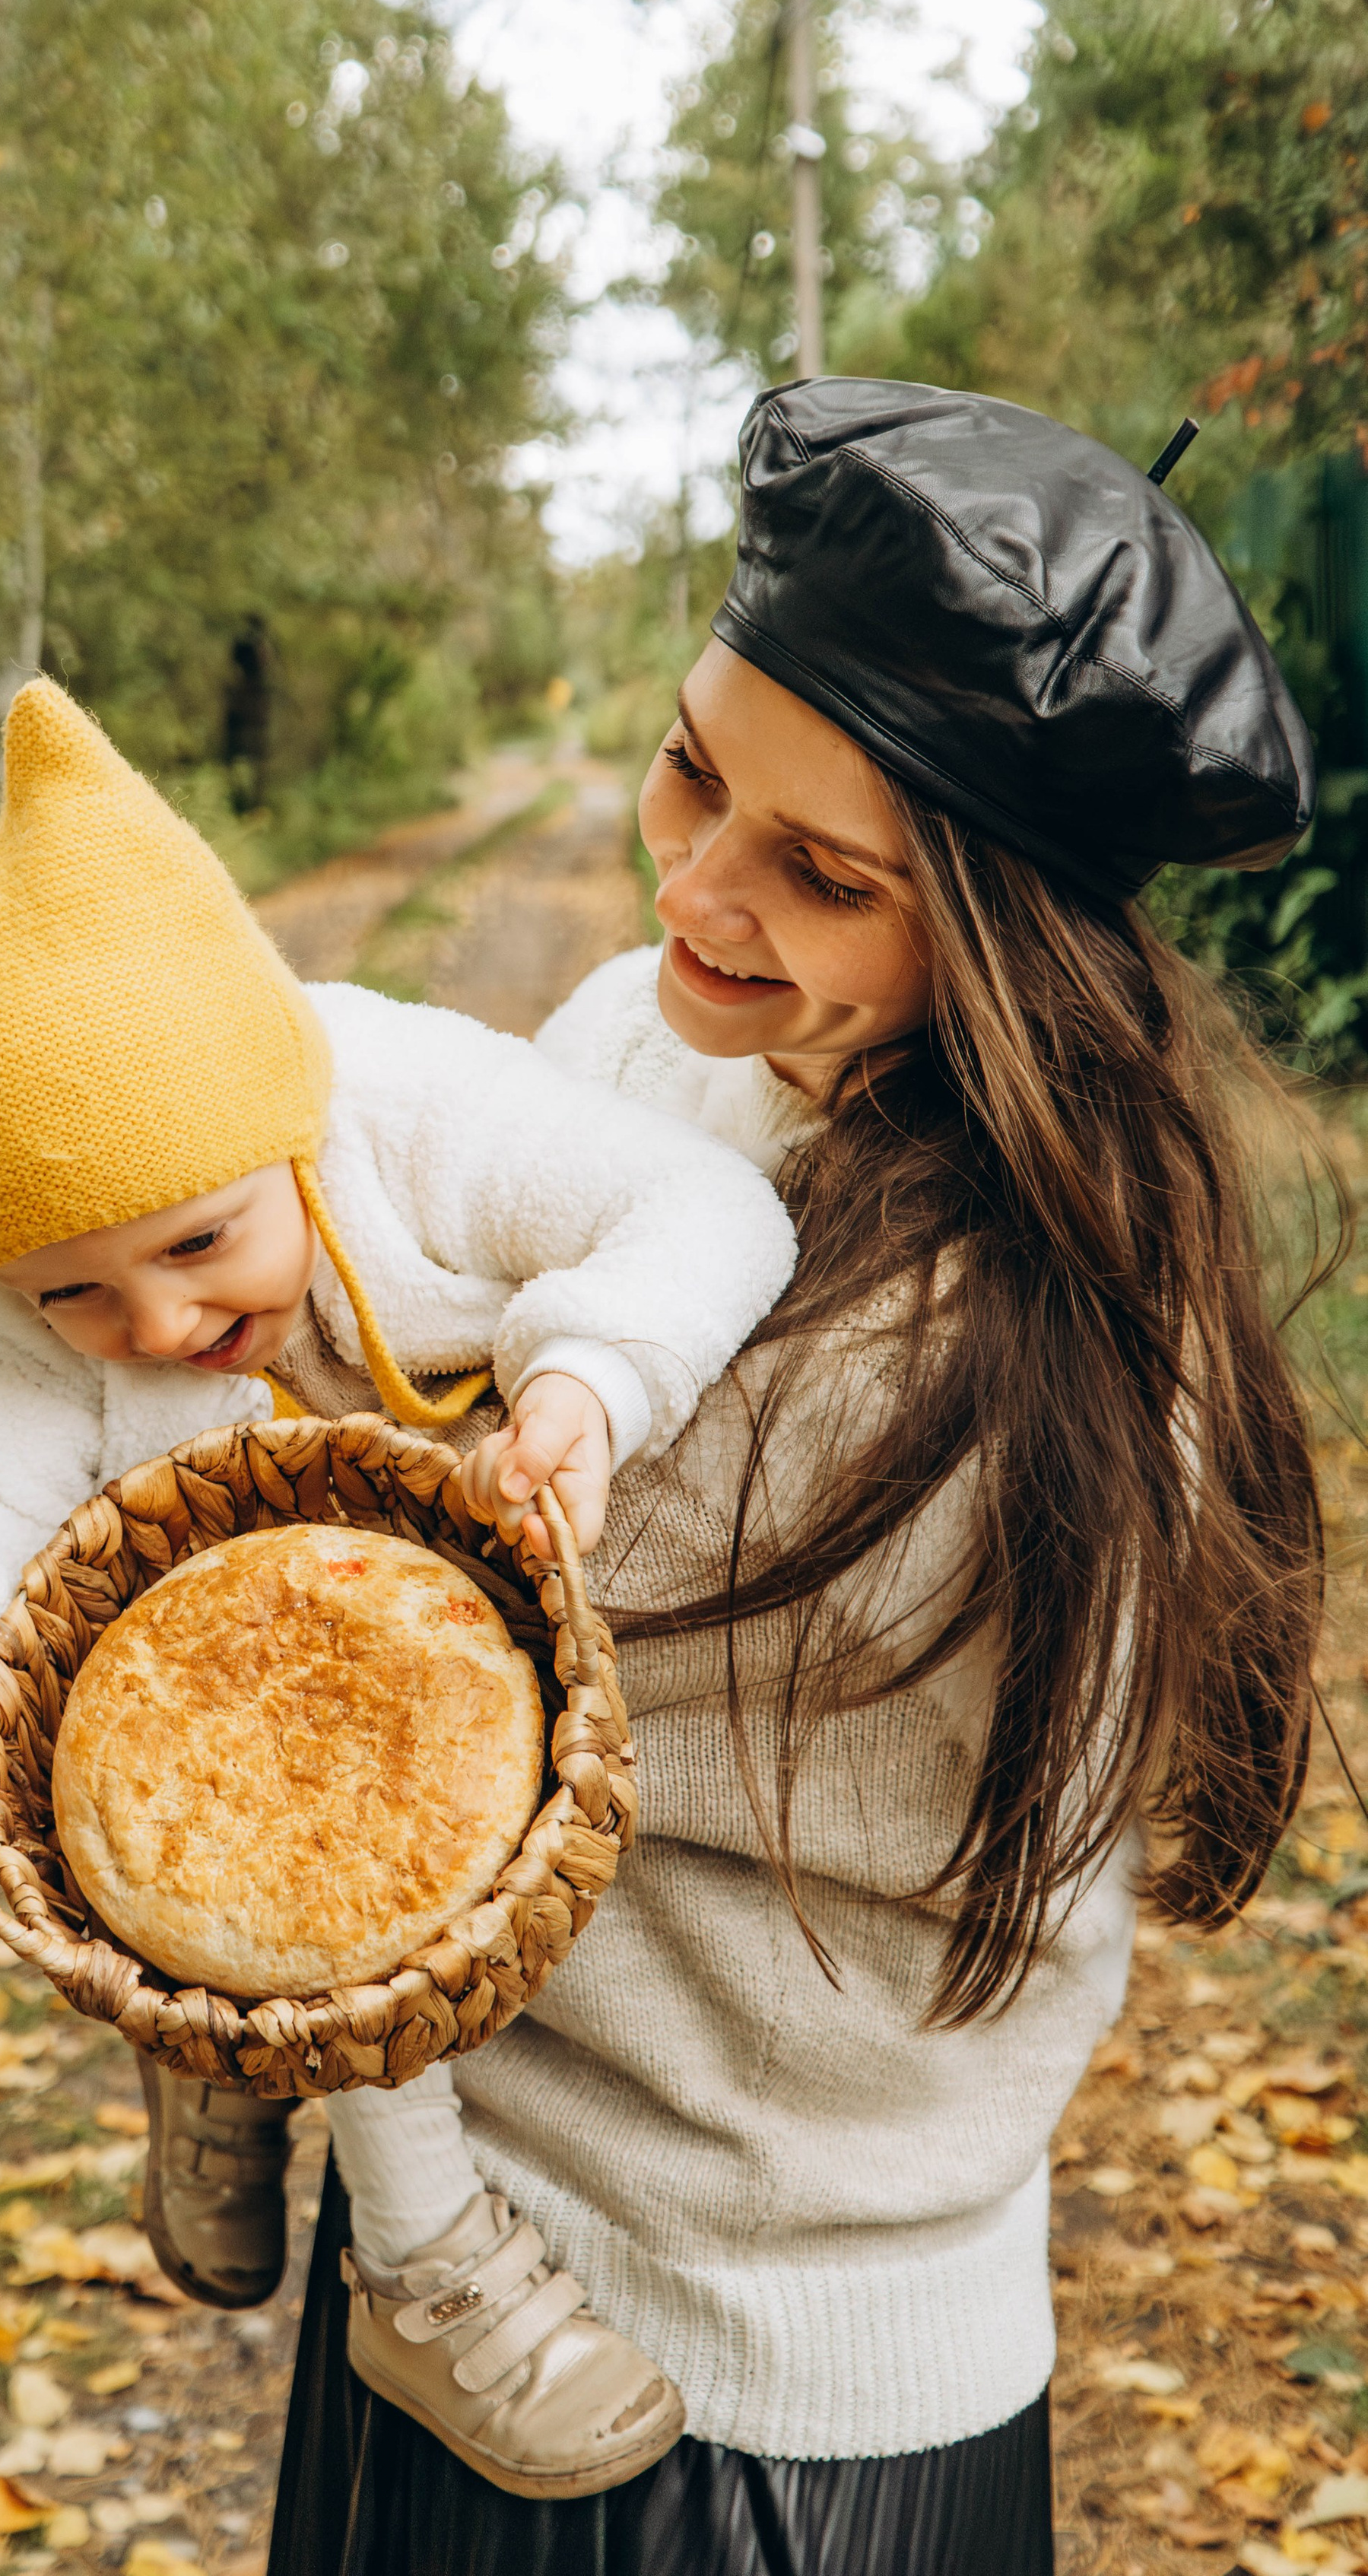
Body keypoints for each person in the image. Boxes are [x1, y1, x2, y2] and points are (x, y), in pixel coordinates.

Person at [265, 376, 1335, 2576]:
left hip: (697, 2426)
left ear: (1010, 947)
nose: (696, 886)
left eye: (822, 875)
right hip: (509, 2308)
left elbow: (381, 1600)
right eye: (691, 770)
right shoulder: (662, 1038)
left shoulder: (985, 1347)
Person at [0, 675, 799, 2500]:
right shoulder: (20, 1273)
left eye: (197, 1245)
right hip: (215, 1671)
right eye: (74, 1300)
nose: (159, 1324)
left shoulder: (406, 1102)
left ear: (280, 1110)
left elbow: (701, 1213)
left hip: (438, 1599)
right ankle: (423, 2277)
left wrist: (587, 1374)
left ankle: (221, 2057)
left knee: (408, 1858)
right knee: (336, 1949)